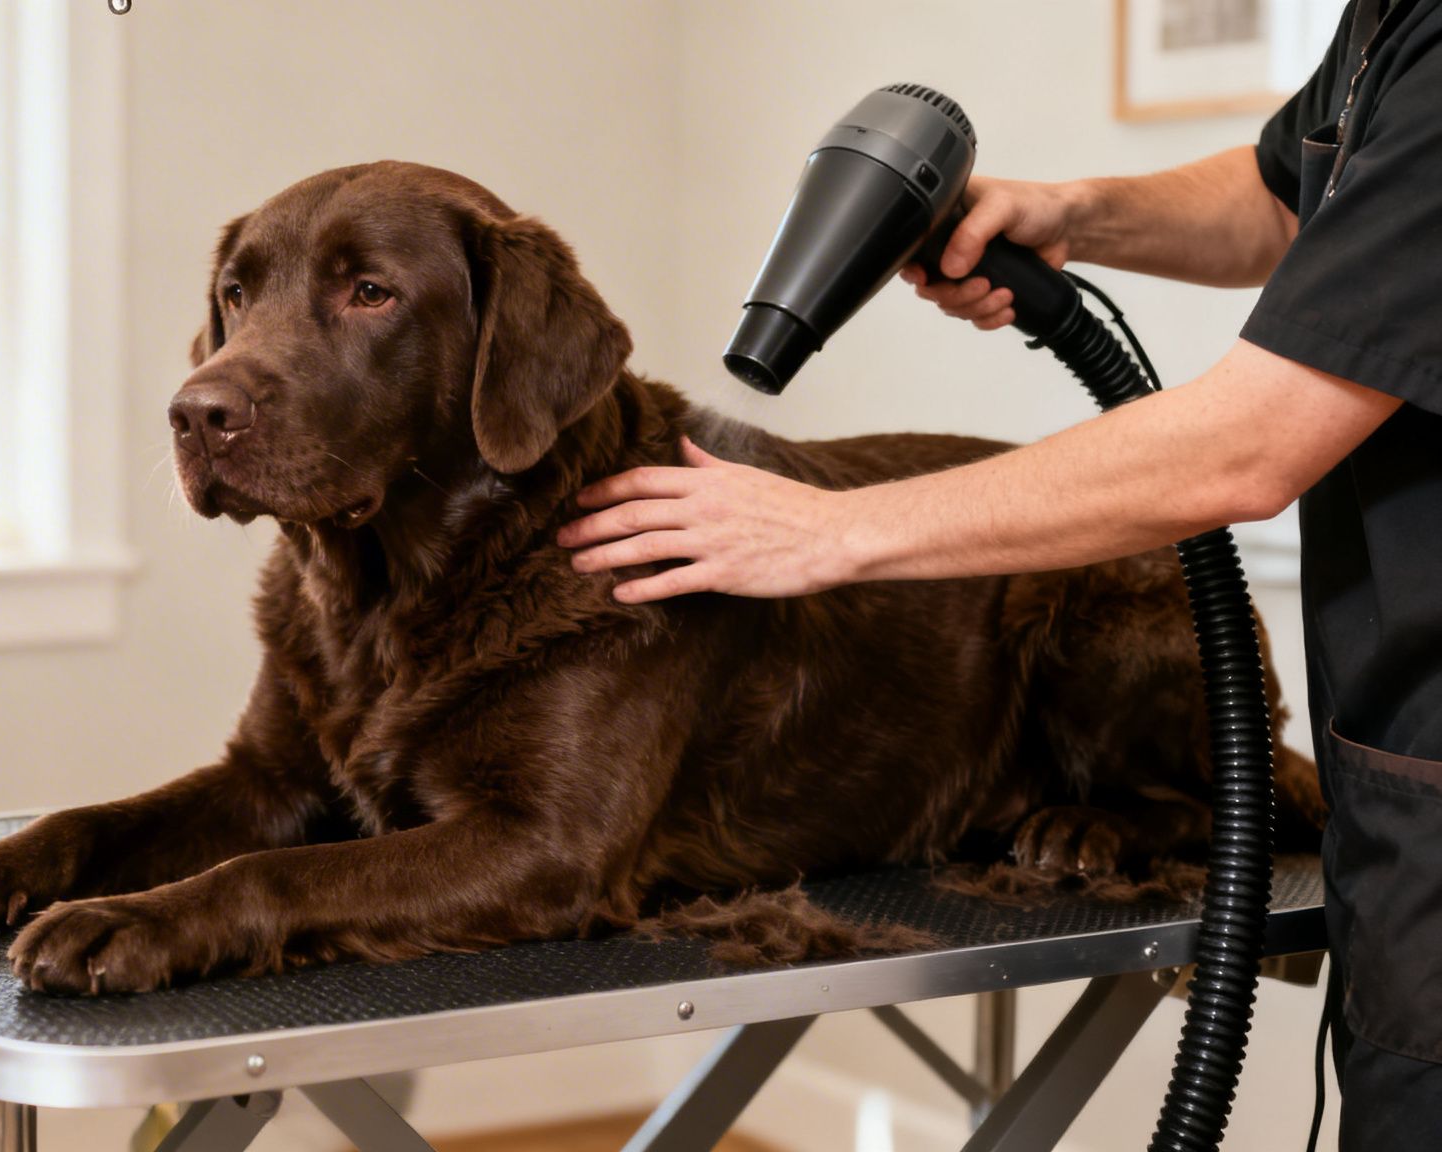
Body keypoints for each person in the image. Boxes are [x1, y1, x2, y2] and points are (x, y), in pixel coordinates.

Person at [558, 1, 1441, 1145]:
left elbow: (1248, 443)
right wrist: (1077, 213)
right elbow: (1290, 198)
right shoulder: (1389, 19)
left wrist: (829, 533)